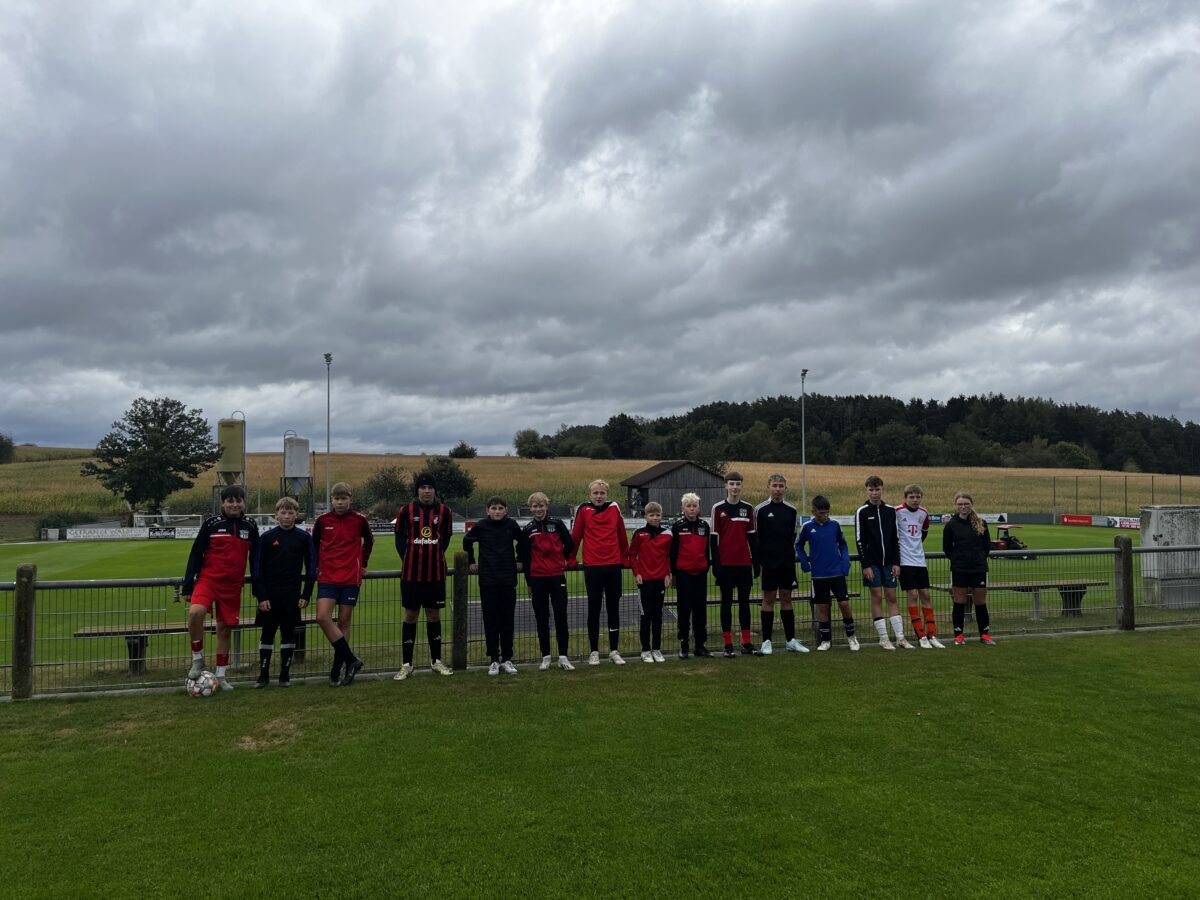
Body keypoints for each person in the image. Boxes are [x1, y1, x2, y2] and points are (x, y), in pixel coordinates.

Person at [183, 484, 260, 690]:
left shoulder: (250, 525)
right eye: (230, 501)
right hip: (208, 580)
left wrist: (258, 588)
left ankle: (221, 676)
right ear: (223, 503)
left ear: (244, 502)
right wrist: (188, 585)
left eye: (238, 501)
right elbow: (196, 554)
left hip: (232, 585)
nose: (234, 505)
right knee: (195, 612)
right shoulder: (211, 524)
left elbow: (255, 559)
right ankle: (197, 658)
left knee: (224, 630)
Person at [393, 473, 455, 681]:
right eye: (423, 487)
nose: (427, 491)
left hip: (435, 574)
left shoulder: (445, 511)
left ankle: (436, 661)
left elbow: (446, 537)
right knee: (410, 616)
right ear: (417, 490)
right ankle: (407, 664)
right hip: (411, 574)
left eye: (430, 487)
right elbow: (399, 538)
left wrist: (435, 553)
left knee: (433, 615)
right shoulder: (406, 511)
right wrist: (408, 557)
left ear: (435, 490)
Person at [312, 482, 373, 687]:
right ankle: (352, 660)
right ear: (332, 500)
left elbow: (369, 542)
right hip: (327, 577)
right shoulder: (322, 521)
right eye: (337, 499)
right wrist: (317, 566)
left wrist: (363, 564)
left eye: (343, 498)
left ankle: (337, 670)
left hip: (350, 578)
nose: (340, 502)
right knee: (322, 617)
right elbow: (314, 545)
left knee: (344, 622)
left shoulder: (359, 520)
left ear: (350, 499)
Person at [251, 496, 316, 687]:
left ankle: (284, 675)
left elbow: (312, 568)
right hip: (269, 597)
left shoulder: (304, 538)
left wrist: (306, 594)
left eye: (290, 512)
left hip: (292, 596)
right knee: (267, 634)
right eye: (283, 512)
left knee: (288, 634)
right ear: (276, 515)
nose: (287, 516)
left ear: (297, 515)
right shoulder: (266, 538)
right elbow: (257, 569)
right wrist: (261, 596)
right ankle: (263, 675)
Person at [465, 496, 528, 675]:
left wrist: (519, 560)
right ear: (488, 510)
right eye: (494, 508)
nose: (497, 511)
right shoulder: (481, 526)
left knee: (507, 621)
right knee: (491, 621)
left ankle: (507, 659)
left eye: (500, 508)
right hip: (488, 580)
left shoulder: (511, 525)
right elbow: (467, 541)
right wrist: (471, 561)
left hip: (508, 580)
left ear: (506, 510)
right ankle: (493, 659)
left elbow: (523, 541)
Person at [570, 479, 630, 666]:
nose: (599, 496)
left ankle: (614, 651)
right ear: (590, 494)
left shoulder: (614, 508)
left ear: (607, 494)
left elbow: (621, 534)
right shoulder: (583, 510)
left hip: (613, 565)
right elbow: (576, 535)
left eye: (602, 493)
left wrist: (625, 557)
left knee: (613, 609)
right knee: (594, 609)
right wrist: (571, 557)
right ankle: (594, 652)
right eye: (595, 493)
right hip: (593, 566)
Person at [521, 491, 576, 671]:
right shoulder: (528, 529)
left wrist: (562, 560)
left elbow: (569, 544)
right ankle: (546, 657)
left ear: (547, 506)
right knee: (541, 617)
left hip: (557, 576)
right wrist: (529, 582)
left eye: (541, 506)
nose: (539, 509)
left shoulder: (557, 524)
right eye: (535, 506)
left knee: (561, 615)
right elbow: (525, 556)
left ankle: (563, 656)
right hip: (537, 578)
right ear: (530, 508)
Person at [754, 473, 808, 654]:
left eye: (780, 486)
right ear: (768, 487)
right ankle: (766, 641)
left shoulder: (791, 510)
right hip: (768, 563)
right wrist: (759, 560)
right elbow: (756, 538)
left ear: (785, 488)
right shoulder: (760, 509)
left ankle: (790, 640)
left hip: (786, 563)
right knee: (768, 599)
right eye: (774, 486)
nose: (777, 489)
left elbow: (792, 535)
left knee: (787, 598)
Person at [795, 496, 858, 651]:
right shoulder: (807, 527)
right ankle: (825, 641)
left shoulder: (835, 525)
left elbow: (843, 544)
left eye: (827, 512)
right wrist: (804, 561)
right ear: (813, 512)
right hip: (818, 575)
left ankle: (852, 638)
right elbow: (799, 545)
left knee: (844, 604)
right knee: (822, 607)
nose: (825, 515)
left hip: (837, 573)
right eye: (821, 513)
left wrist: (845, 562)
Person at [855, 474, 910, 650]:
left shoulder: (890, 511)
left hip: (889, 563)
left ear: (882, 489)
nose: (874, 493)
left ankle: (900, 638)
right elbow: (859, 540)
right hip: (872, 564)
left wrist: (896, 562)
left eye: (877, 489)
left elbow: (895, 538)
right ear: (866, 490)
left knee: (892, 597)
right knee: (877, 597)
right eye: (871, 490)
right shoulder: (862, 511)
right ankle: (883, 638)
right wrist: (865, 565)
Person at [711, 471, 760, 657]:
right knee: (726, 603)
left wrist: (756, 562)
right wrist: (716, 564)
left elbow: (752, 538)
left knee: (744, 603)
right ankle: (728, 644)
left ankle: (746, 643)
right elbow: (713, 539)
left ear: (741, 486)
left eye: (738, 484)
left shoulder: (748, 508)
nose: (735, 487)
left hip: (744, 564)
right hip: (726, 565)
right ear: (726, 486)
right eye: (731, 484)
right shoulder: (718, 508)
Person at [943, 491, 995, 646]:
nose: (963, 506)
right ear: (956, 505)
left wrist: (978, 558)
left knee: (980, 602)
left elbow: (986, 547)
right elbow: (947, 548)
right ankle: (958, 635)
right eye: (960, 504)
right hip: (959, 568)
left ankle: (984, 634)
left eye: (966, 503)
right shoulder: (951, 525)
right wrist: (959, 559)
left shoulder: (982, 523)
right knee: (959, 601)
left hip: (979, 568)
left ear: (972, 504)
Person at [896, 484, 944, 649]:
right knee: (913, 594)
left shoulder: (923, 513)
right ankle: (921, 635)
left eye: (918, 497)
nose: (915, 500)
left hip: (920, 560)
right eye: (911, 497)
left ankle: (932, 635)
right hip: (904, 561)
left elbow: (924, 532)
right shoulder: (897, 511)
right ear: (905, 498)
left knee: (926, 594)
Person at [669, 492, 713, 658]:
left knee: (700, 610)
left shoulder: (704, 526)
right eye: (689, 506)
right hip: (683, 574)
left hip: (700, 573)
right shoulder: (678, 526)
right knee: (684, 610)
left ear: (699, 508)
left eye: (694, 506)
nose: (692, 509)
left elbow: (707, 550)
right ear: (683, 508)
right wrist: (674, 574)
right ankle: (684, 645)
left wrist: (705, 567)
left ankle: (700, 645)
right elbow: (673, 552)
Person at [627, 501, 672, 663]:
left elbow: (668, 556)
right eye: (651, 515)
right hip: (644, 581)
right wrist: (637, 573)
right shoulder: (639, 533)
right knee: (645, 616)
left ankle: (656, 649)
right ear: (645, 516)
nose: (654, 518)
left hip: (660, 580)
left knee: (657, 616)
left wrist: (667, 573)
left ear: (661, 516)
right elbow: (632, 555)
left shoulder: (667, 534)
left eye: (657, 515)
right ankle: (645, 650)